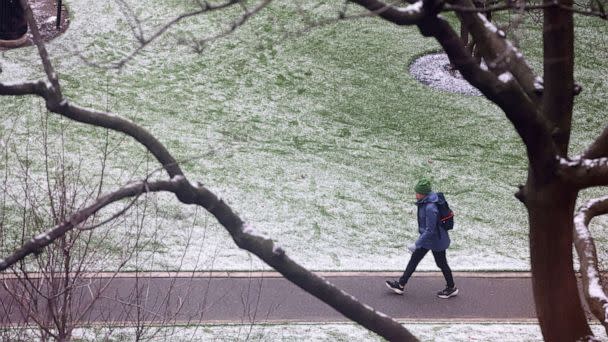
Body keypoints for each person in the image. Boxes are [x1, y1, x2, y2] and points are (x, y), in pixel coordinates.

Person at [385, 178, 458, 299]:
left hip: (435, 241)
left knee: (441, 264)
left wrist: (417, 243)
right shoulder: (426, 202)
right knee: (414, 260)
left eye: (417, 192)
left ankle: (451, 288)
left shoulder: (430, 208)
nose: (415, 194)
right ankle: (401, 284)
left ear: (423, 194)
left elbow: (431, 229)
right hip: (429, 239)